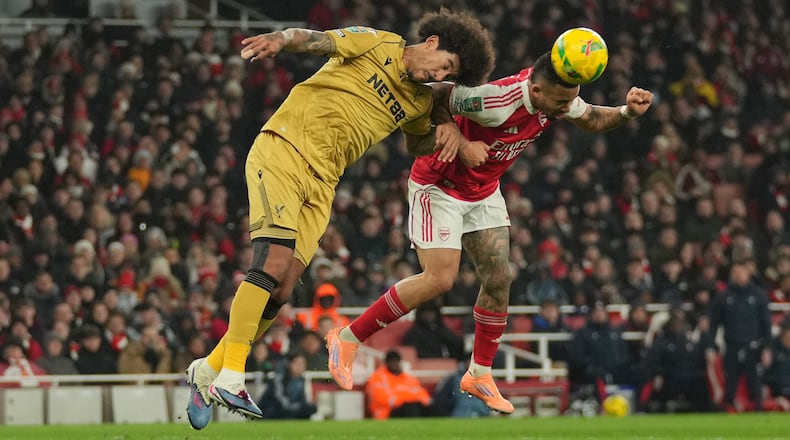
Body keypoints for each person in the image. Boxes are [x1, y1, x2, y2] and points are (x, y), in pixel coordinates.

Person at [185, 9, 495, 429]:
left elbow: (415, 143)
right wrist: (280, 37)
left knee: (284, 288)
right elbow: (317, 40)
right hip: (284, 149)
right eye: (446, 66)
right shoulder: (377, 42)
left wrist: (449, 135)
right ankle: (232, 376)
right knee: (272, 262)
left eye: (449, 76)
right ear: (433, 42)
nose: (440, 75)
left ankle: (205, 372)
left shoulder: (420, 100)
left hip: (324, 181)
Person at [327, 51, 653, 413]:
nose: (564, 110)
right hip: (440, 185)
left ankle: (479, 373)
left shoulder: (556, 97)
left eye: (568, 101)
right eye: (559, 103)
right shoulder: (494, 100)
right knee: (439, 279)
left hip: (483, 190)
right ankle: (346, 337)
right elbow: (433, 94)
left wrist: (626, 113)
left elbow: (590, 116)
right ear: (536, 89)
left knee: (500, 278)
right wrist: (462, 143)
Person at [705, 259, 772, 412]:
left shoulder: (759, 295)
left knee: (755, 383)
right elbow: (713, 323)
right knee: (730, 382)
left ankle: (758, 412)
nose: (737, 275)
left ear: (747, 273)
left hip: (754, 345)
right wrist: (710, 346)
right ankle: (728, 409)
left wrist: (767, 348)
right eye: (734, 272)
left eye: (740, 272)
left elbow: (766, 324)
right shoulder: (724, 297)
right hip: (732, 345)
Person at [365, 350, 434, 420]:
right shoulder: (377, 377)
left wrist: (402, 397)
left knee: (428, 407)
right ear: (386, 363)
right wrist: (407, 397)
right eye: (391, 361)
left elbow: (423, 395)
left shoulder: (409, 378)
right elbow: (384, 399)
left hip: (408, 406)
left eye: (396, 361)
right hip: (387, 412)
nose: (394, 363)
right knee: (411, 407)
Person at [258, 352, 317, 420]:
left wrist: (303, 407)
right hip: (273, 410)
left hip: (290, 409)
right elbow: (282, 403)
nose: (300, 366)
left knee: (310, 408)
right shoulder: (279, 379)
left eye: (302, 364)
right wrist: (300, 407)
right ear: (289, 364)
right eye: (297, 363)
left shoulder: (301, 381)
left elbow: (302, 401)